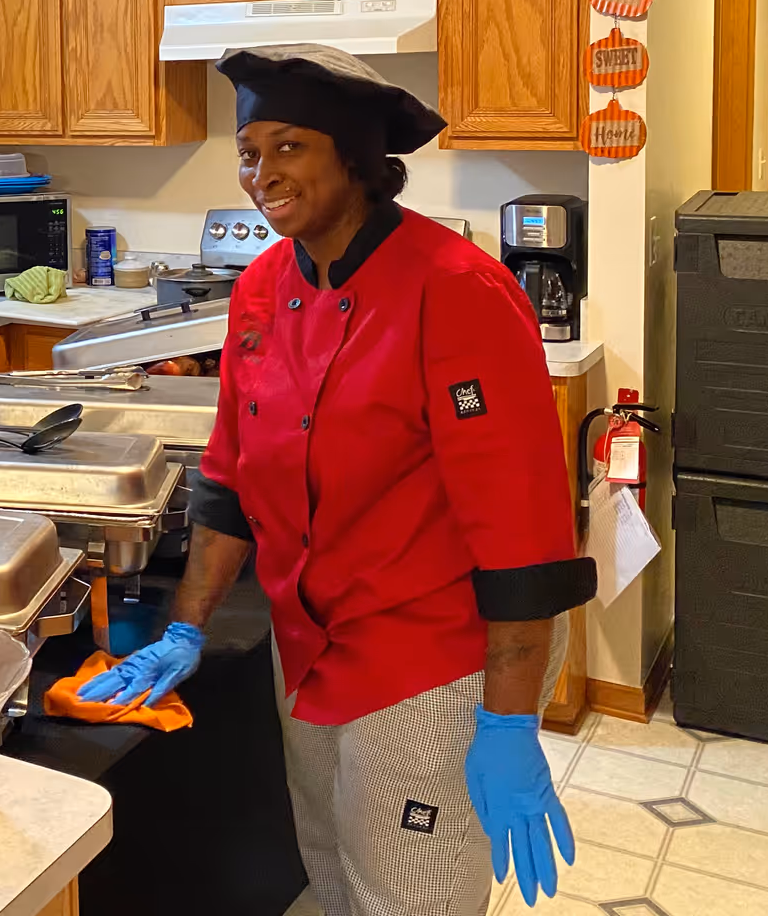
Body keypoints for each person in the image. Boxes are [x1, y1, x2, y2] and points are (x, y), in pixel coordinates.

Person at [81, 44, 595, 915]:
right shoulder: (260, 291)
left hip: (432, 658)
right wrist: (185, 631)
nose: (261, 174)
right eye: (249, 152)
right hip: (309, 646)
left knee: (411, 896)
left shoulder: (458, 290)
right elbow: (231, 476)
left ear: (354, 161)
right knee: (330, 870)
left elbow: (522, 530)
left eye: (289, 147)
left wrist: (508, 720)